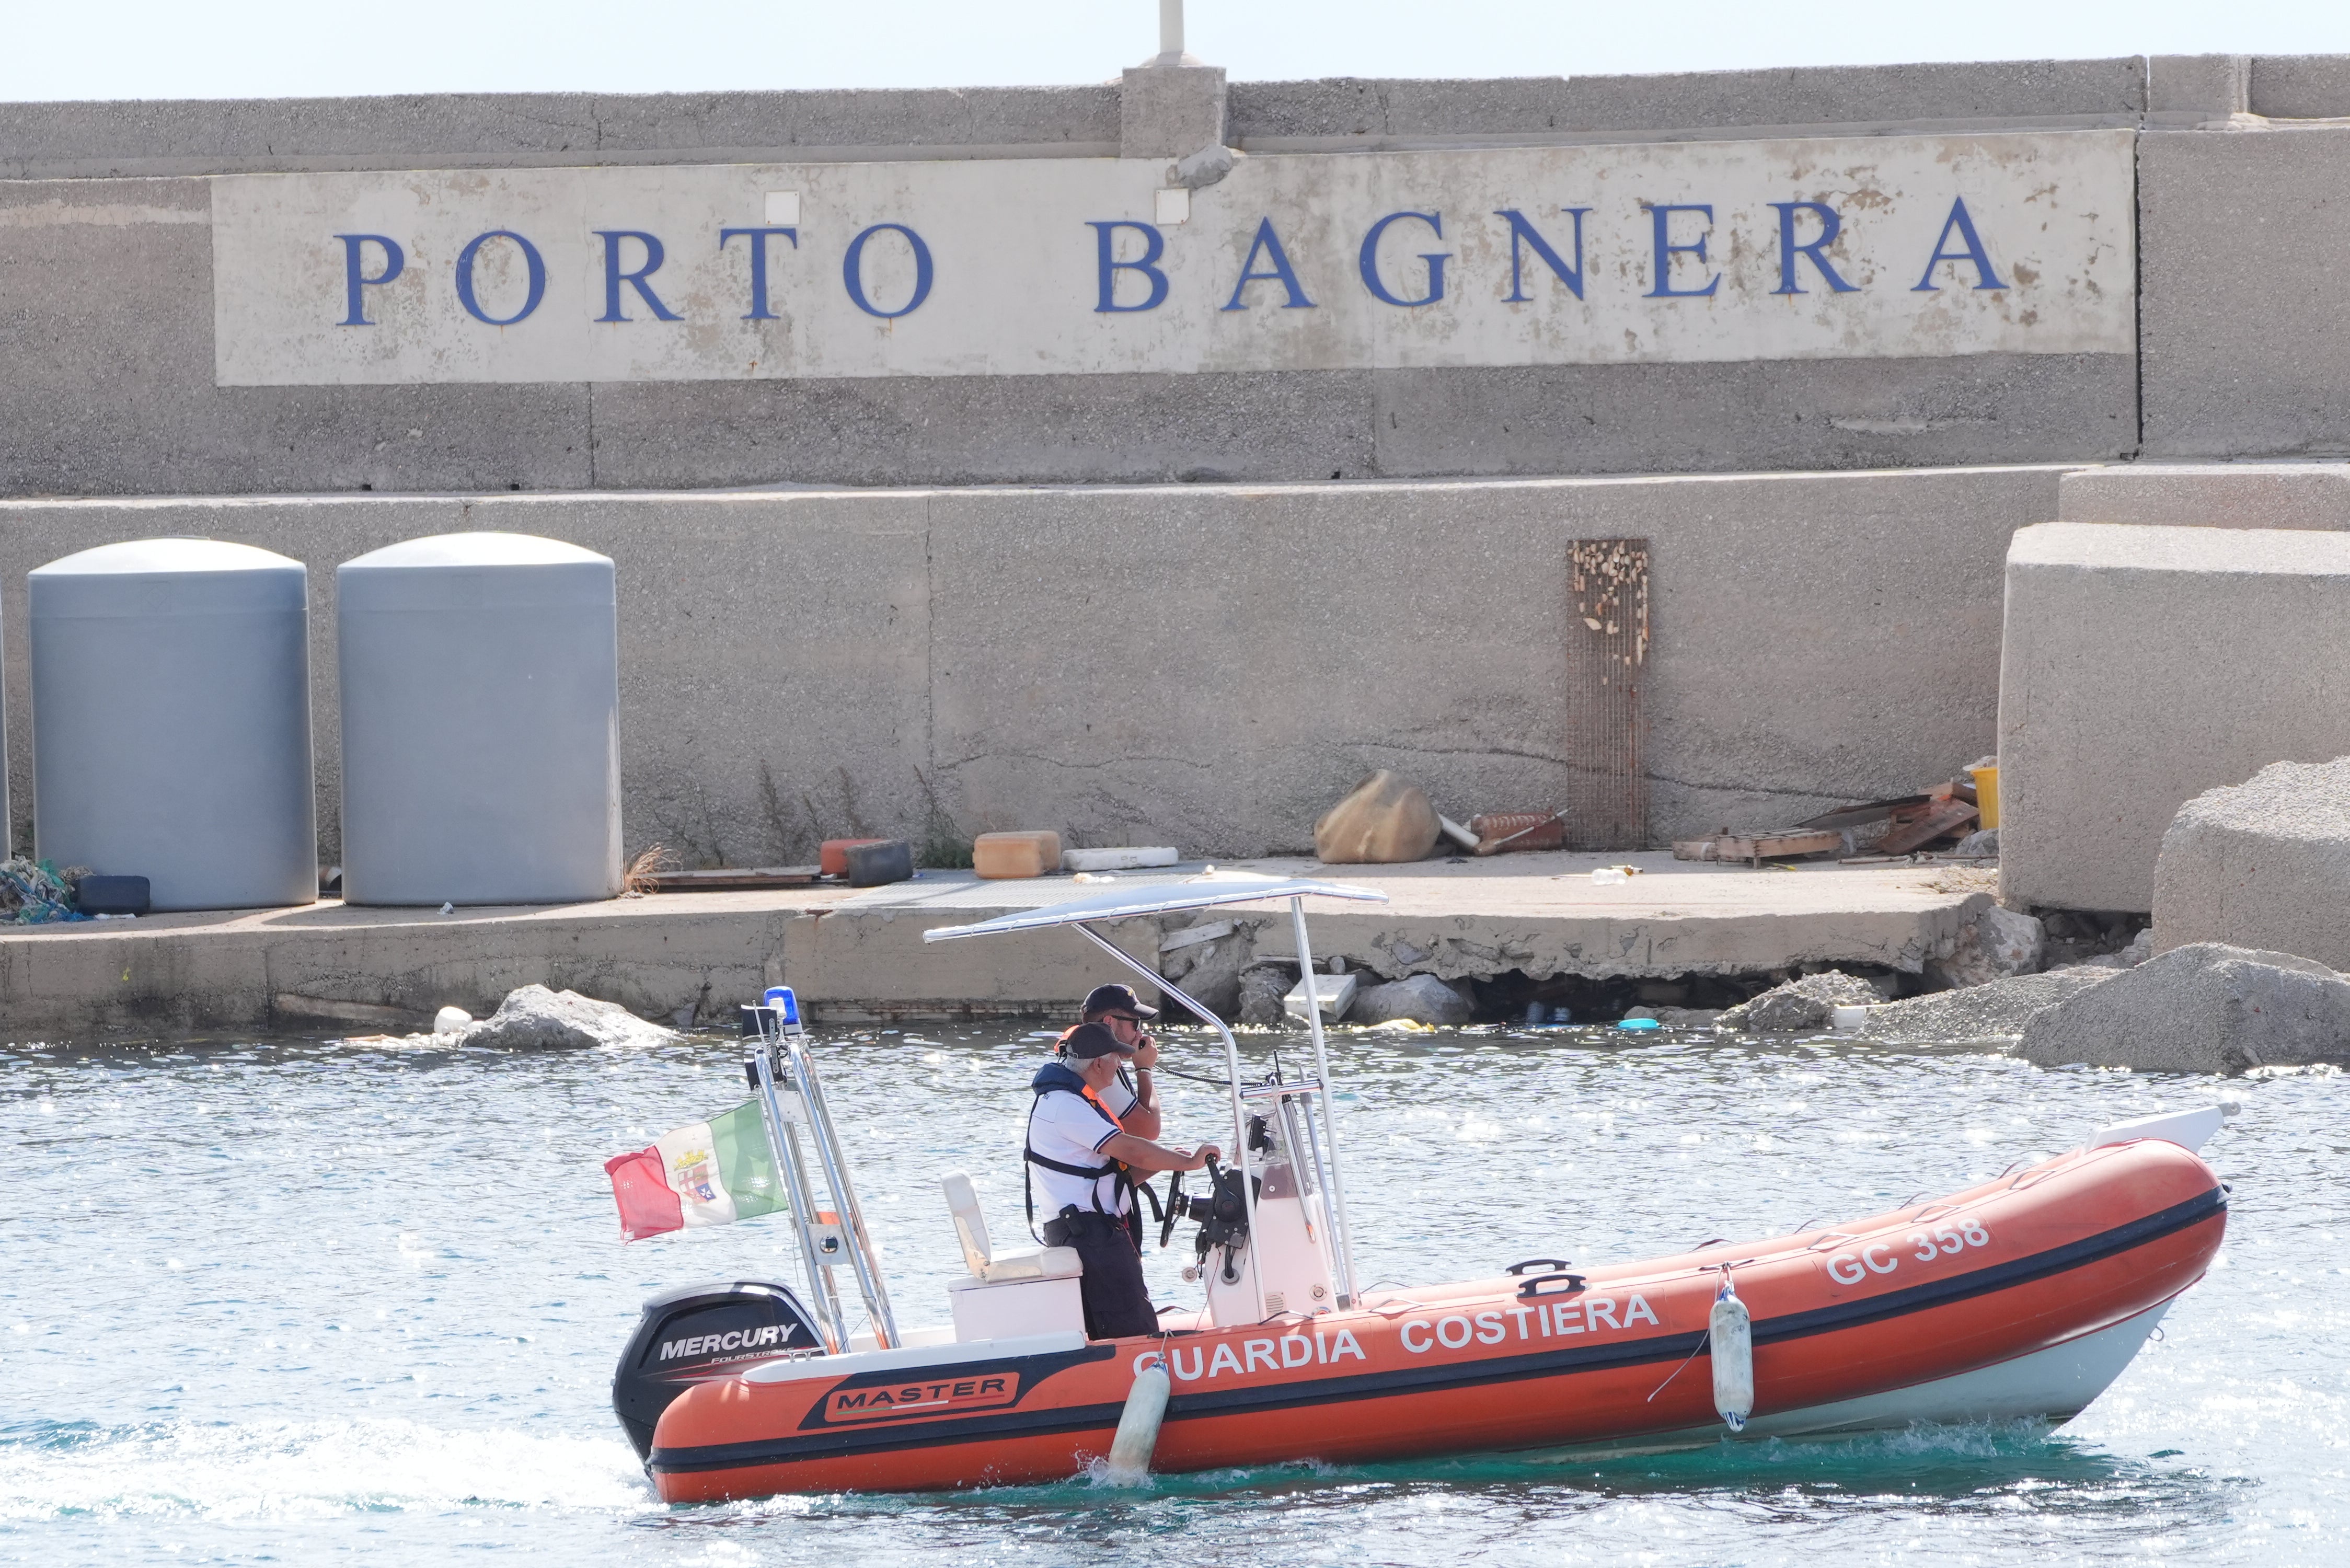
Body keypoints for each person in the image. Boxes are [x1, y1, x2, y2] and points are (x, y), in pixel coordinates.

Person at [1026, 1021, 1219, 1340]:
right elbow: (1131, 1150)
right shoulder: (1068, 1107)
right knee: (1133, 1330)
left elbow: (1107, 1177)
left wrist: (1168, 1164)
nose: (1119, 1066)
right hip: (1091, 1237)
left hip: (1086, 1231)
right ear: (1100, 1063)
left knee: (1116, 1327)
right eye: (1117, 1059)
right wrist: (1189, 1162)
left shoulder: (1069, 1100)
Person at [1077, 982, 1162, 1139]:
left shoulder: (1085, 1052)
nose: (1139, 1034)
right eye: (1136, 1024)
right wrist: (1144, 1069)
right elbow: (1149, 1131)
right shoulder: (1096, 1066)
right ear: (1109, 1022)